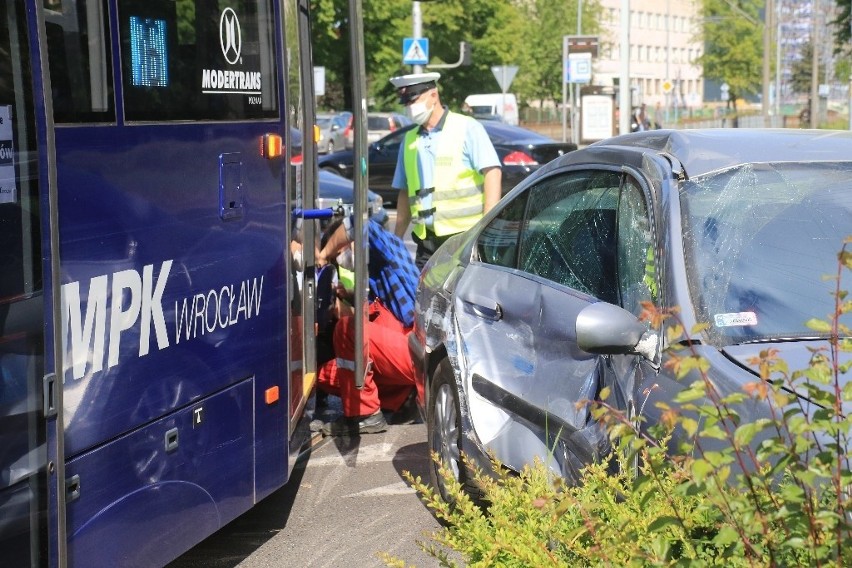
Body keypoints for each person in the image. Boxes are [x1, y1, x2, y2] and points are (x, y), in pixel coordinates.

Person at [314, 215, 420, 436]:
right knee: (324, 374)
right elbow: (377, 317)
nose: (342, 260)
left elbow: (359, 223)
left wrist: (324, 255)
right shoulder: (379, 270)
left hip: (414, 350)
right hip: (408, 350)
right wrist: (347, 298)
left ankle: (365, 415)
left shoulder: (385, 246)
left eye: (340, 253)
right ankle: (401, 399)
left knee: (348, 330)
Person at [389, 72, 502, 269]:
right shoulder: (409, 140)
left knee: (458, 298)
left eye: (413, 100)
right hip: (426, 240)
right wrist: (396, 240)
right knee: (424, 298)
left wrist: (486, 226)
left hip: (463, 238)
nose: (409, 108)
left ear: (433, 95)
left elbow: (492, 172)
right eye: (406, 104)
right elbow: (405, 192)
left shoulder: (466, 127)